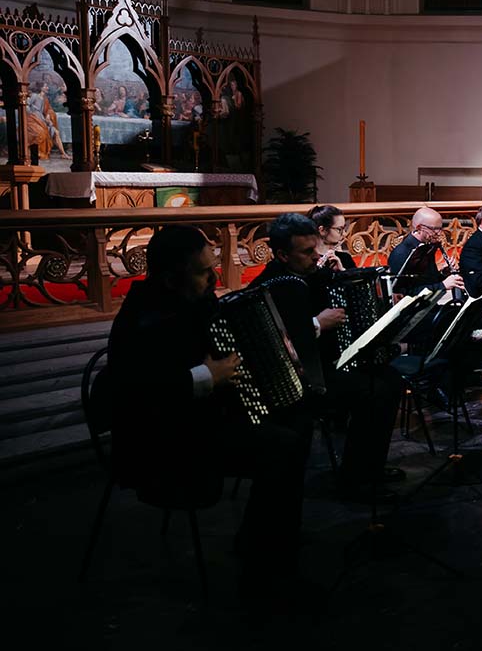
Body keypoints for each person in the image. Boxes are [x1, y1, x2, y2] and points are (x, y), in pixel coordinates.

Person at [108, 226, 310, 596]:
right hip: (165, 442)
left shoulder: (191, 301)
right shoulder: (143, 319)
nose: (214, 279)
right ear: (171, 276)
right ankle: (267, 569)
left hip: (199, 420)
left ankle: (266, 538)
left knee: (297, 418)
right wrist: (207, 376)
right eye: (204, 271)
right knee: (282, 447)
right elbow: (136, 394)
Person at [251, 213, 404, 500]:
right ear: (283, 255)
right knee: (374, 391)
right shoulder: (273, 285)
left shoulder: (307, 274)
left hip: (325, 365)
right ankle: (356, 480)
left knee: (391, 378)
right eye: (307, 251)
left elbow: (335, 288)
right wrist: (318, 324)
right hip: (297, 382)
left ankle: (370, 467)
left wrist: (339, 274)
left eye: (315, 248)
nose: (315, 256)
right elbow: (279, 345)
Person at [386, 207, 466, 297]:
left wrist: (443, 274)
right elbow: (402, 294)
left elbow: (428, 281)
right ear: (419, 228)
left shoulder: (427, 246)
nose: (439, 233)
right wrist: (443, 285)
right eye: (434, 229)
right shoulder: (401, 253)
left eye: (440, 228)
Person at [307, 205, 356, 272]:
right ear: (322, 230)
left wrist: (342, 271)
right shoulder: (305, 259)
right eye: (339, 229)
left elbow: (356, 278)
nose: (344, 234)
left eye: (344, 229)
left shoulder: (345, 258)